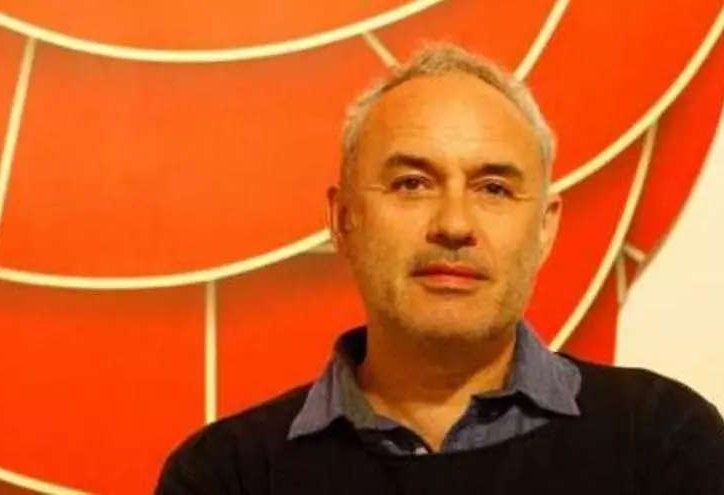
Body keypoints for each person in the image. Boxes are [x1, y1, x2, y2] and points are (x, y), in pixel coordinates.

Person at [155, 43, 724, 494]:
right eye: (412, 184)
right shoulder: (227, 475)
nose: (454, 224)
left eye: (493, 188)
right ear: (343, 219)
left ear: (545, 227)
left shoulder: (662, 443)